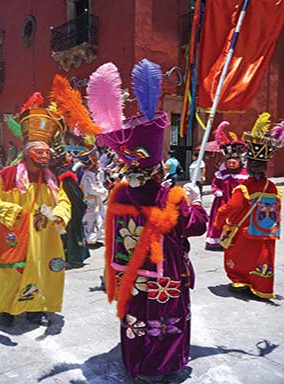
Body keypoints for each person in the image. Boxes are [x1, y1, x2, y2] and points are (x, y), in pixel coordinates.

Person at [86, 60, 208, 382]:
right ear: (157, 169)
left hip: (133, 276)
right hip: (167, 275)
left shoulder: (121, 194)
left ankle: (138, 364)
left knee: (137, 318)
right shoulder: (172, 196)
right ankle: (164, 366)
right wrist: (196, 200)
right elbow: (196, 226)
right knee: (167, 319)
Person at [0, 94, 71, 327]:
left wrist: (60, 213)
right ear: (28, 152)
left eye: (47, 152)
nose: (45, 156)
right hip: (13, 234)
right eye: (40, 152)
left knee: (41, 269)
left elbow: (64, 201)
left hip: (43, 236)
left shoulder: (52, 180)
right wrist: (11, 212)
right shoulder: (8, 176)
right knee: (9, 272)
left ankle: (34, 309)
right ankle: (6, 309)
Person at [214, 113, 283, 298]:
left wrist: (218, 222)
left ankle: (241, 280)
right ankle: (261, 287)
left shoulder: (243, 188)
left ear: (249, 166)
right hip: (265, 232)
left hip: (245, 232)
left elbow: (230, 208)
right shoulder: (272, 187)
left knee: (240, 257)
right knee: (262, 258)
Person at [205, 122, 248, 251]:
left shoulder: (245, 175)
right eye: (229, 162)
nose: (231, 165)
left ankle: (237, 241)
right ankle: (217, 242)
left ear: (239, 162)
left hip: (239, 204)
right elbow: (214, 185)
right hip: (222, 202)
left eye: (234, 162)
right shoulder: (221, 174)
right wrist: (217, 191)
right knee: (220, 220)